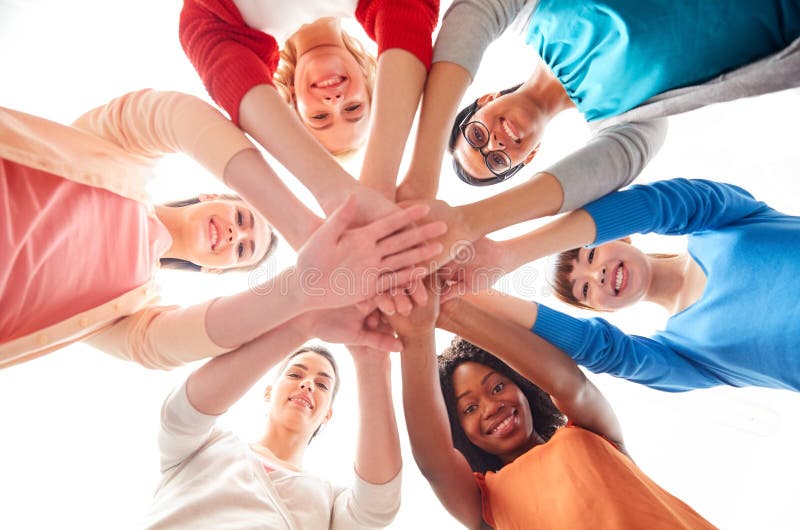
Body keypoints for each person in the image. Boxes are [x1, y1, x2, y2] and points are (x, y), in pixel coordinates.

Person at [0, 89, 447, 368]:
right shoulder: (115, 154)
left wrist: (303, 291)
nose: (235, 235)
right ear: (212, 196)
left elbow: (172, 347)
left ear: (214, 271)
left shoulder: (125, 317)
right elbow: (173, 115)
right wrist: (301, 225)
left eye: (241, 250)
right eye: (242, 219)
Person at [397, 0, 800, 232]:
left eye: (477, 138)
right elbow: (603, 173)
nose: (496, 144)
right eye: (498, 161)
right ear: (529, 158)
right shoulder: (629, 125)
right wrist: (467, 224)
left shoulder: (529, 13)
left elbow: (475, 12)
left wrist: (423, 169)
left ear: (484, 99)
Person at [386, 282, 720, 530]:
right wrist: (417, 336)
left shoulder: (590, 432)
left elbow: (570, 384)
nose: (491, 407)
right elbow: (435, 460)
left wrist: (451, 311)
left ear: (524, 388)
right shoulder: (483, 501)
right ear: (458, 429)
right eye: (469, 408)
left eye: (498, 386)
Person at [464, 178, 800, 392]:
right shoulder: (682, 352)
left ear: (619, 234)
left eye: (591, 255)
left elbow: (655, 205)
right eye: (584, 290)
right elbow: (604, 351)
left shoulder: (717, 222)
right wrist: (469, 290)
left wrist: (508, 254)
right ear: (599, 309)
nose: (598, 275)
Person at [179, 0, 440, 230]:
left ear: (292, 101)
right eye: (353, 108)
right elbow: (409, 11)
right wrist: (377, 181)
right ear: (371, 79)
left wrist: (332, 190)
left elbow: (217, 59)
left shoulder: (231, 28)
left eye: (320, 117)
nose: (335, 102)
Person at [142, 310, 402, 530]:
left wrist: (372, 361)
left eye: (322, 385)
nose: (308, 384)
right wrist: (304, 324)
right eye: (295, 374)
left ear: (328, 413)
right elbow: (181, 415)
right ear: (269, 392)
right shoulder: (203, 447)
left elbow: (377, 505)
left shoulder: (328, 501)